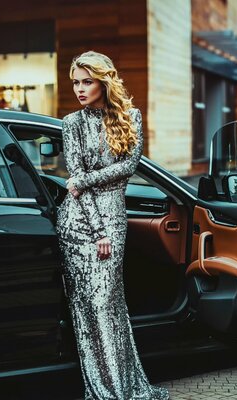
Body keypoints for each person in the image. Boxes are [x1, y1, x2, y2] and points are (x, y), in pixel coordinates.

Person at [56, 51, 170, 400]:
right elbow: (74, 181)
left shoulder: (129, 116)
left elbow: (128, 166)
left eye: (87, 81)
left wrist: (86, 180)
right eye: (75, 82)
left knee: (110, 303)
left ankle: (123, 386)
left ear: (104, 81)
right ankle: (105, 391)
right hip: (79, 223)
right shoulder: (71, 122)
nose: (79, 88)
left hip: (113, 216)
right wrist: (98, 231)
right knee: (89, 307)